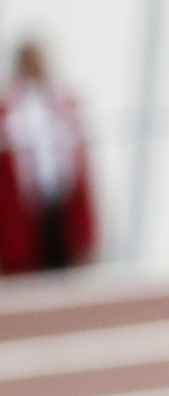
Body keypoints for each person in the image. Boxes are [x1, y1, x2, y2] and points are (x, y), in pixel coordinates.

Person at [0, 39, 97, 272]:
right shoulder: (9, 106)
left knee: (65, 263)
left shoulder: (63, 101)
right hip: (25, 208)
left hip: (60, 201)